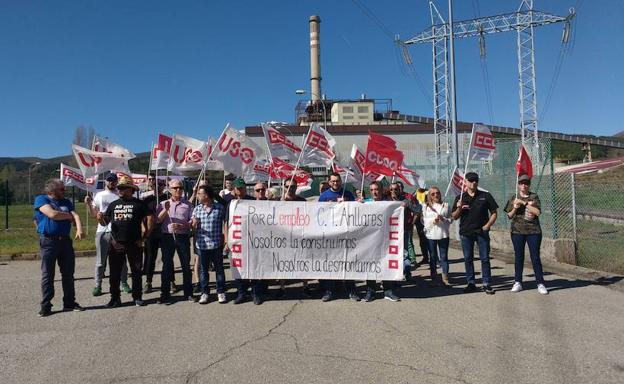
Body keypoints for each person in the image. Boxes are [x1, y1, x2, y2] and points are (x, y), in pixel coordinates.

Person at [98, 176, 153, 307]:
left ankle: (137, 297)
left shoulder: (139, 204)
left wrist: (144, 238)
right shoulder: (113, 205)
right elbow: (105, 222)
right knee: (114, 273)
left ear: (131, 189)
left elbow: (151, 219)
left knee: (136, 271)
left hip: (134, 243)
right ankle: (115, 298)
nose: (120, 190)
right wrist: (99, 218)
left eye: (123, 188)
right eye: (119, 188)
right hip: (116, 243)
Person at [34, 179, 85, 317]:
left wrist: (79, 228)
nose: (65, 191)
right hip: (49, 242)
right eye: (62, 189)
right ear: (52, 191)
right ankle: (46, 306)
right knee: (48, 275)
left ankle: (69, 303)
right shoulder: (41, 199)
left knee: (68, 274)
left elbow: (76, 216)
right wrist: (69, 216)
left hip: (65, 242)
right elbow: (52, 214)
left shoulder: (66, 202)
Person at [451, 172, 498, 295]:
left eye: (476, 180)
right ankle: (471, 283)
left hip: (481, 232)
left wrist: (487, 225)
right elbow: (454, 217)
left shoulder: (485, 195)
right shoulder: (460, 198)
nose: (474, 182)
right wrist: (459, 208)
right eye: (471, 180)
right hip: (466, 233)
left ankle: (486, 283)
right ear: (465, 182)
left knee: (485, 258)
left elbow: (494, 213)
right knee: (468, 259)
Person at [84, 172, 130, 297]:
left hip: (118, 232)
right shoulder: (99, 195)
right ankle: (98, 285)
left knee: (122, 260)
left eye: (113, 180)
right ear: (105, 182)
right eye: (109, 180)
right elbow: (94, 214)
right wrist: (88, 204)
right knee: (100, 261)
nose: (111, 182)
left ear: (116, 182)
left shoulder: (119, 195)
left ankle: (124, 283)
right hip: (102, 231)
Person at [318, 173, 359, 302]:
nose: (335, 183)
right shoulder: (324, 196)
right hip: (330, 235)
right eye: (333, 181)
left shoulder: (348, 194)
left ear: (341, 181)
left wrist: (356, 203)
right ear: (329, 182)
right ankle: (329, 291)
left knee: (347, 263)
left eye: (337, 181)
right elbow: (319, 214)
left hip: (346, 234)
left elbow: (356, 210)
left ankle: (351, 291)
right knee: (330, 264)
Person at [504, 174, 548, 295]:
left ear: (529, 185)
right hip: (517, 232)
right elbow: (509, 215)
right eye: (522, 183)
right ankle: (517, 282)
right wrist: (515, 207)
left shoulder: (534, 196)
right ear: (518, 185)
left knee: (535, 257)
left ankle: (540, 283)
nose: (524, 185)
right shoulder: (513, 197)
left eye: (526, 183)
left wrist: (524, 203)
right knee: (519, 256)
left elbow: (538, 212)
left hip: (533, 232)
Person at [223, 178, 264, 304]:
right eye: (238, 188)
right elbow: (226, 222)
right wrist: (226, 240)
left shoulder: (252, 201)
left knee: (254, 267)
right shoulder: (231, 203)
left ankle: (255, 294)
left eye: (243, 188)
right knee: (238, 268)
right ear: (234, 189)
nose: (241, 190)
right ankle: (241, 293)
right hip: (236, 240)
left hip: (252, 241)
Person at [157, 179, 195, 304]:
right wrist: (165, 210)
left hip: (182, 237)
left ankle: (188, 293)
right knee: (166, 266)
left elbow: (192, 223)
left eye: (180, 188)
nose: (178, 190)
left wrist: (183, 226)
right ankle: (165, 294)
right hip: (167, 237)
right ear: (169, 189)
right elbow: (157, 220)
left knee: (185, 265)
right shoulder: (163, 203)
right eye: (175, 188)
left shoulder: (188, 205)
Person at [363, 181, 400, 302]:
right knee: (370, 266)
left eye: (376, 189)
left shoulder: (388, 203)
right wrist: (357, 205)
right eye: (372, 190)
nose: (374, 192)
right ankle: (370, 291)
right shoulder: (365, 203)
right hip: (370, 241)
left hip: (385, 240)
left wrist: (401, 205)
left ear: (381, 190)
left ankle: (388, 291)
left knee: (386, 264)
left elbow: (402, 207)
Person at [191, 185, 227, 304]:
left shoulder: (219, 208)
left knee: (219, 270)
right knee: (203, 271)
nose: (197, 195)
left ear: (206, 195)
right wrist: (193, 225)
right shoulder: (197, 209)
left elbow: (226, 224)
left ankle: (221, 292)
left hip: (216, 245)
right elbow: (193, 228)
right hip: (202, 245)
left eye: (199, 193)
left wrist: (226, 239)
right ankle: (204, 293)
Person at [141, 179, 174, 294]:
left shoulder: (168, 198)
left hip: (165, 231)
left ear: (164, 186)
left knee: (167, 258)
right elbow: (142, 216)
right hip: (152, 232)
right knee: (150, 257)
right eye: (155, 185)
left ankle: (171, 281)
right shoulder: (147, 199)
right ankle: (148, 282)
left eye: (160, 185)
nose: (157, 187)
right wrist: (143, 227)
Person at [389, 182, 421, 282]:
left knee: (405, 253)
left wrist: (411, 223)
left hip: (404, 230)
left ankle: (407, 273)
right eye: (391, 189)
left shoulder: (405, 201)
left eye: (396, 189)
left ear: (400, 190)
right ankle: (394, 275)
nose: (393, 191)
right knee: (392, 254)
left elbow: (418, 209)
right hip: (390, 232)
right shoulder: (386, 201)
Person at [422, 186, 452, 287]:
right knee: (433, 257)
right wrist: (433, 221)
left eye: (437, 193)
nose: (436, 195)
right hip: (431, 235)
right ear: (429, 196)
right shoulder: (425, 206)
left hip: (443, 235)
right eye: (433, 194)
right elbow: (424, 222)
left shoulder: (446, 205)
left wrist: (443, 219)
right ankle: (434, 278)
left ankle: (445, 278)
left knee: (444, 257)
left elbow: (450, 220)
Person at [413, 187, 430, 266]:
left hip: (428, 219)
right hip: (419, 220)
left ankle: (435, 259)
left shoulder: (428, 193)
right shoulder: (415, 194)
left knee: (430, 240)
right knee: (422, 240)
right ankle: (425, 258)